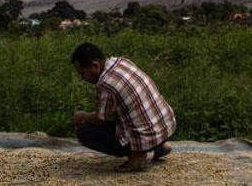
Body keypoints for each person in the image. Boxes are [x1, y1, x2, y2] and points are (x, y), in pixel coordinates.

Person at [71, 42, 176, 172]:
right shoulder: (122, 62)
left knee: (84, 131)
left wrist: (82, 115)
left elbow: (101, 119)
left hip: (148, 135)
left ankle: (137, 156)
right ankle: (158, 146)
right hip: (166, 127)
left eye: (82, 73)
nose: (83, 78)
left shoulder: (105, 84)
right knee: (126, 114)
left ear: (95, 66)